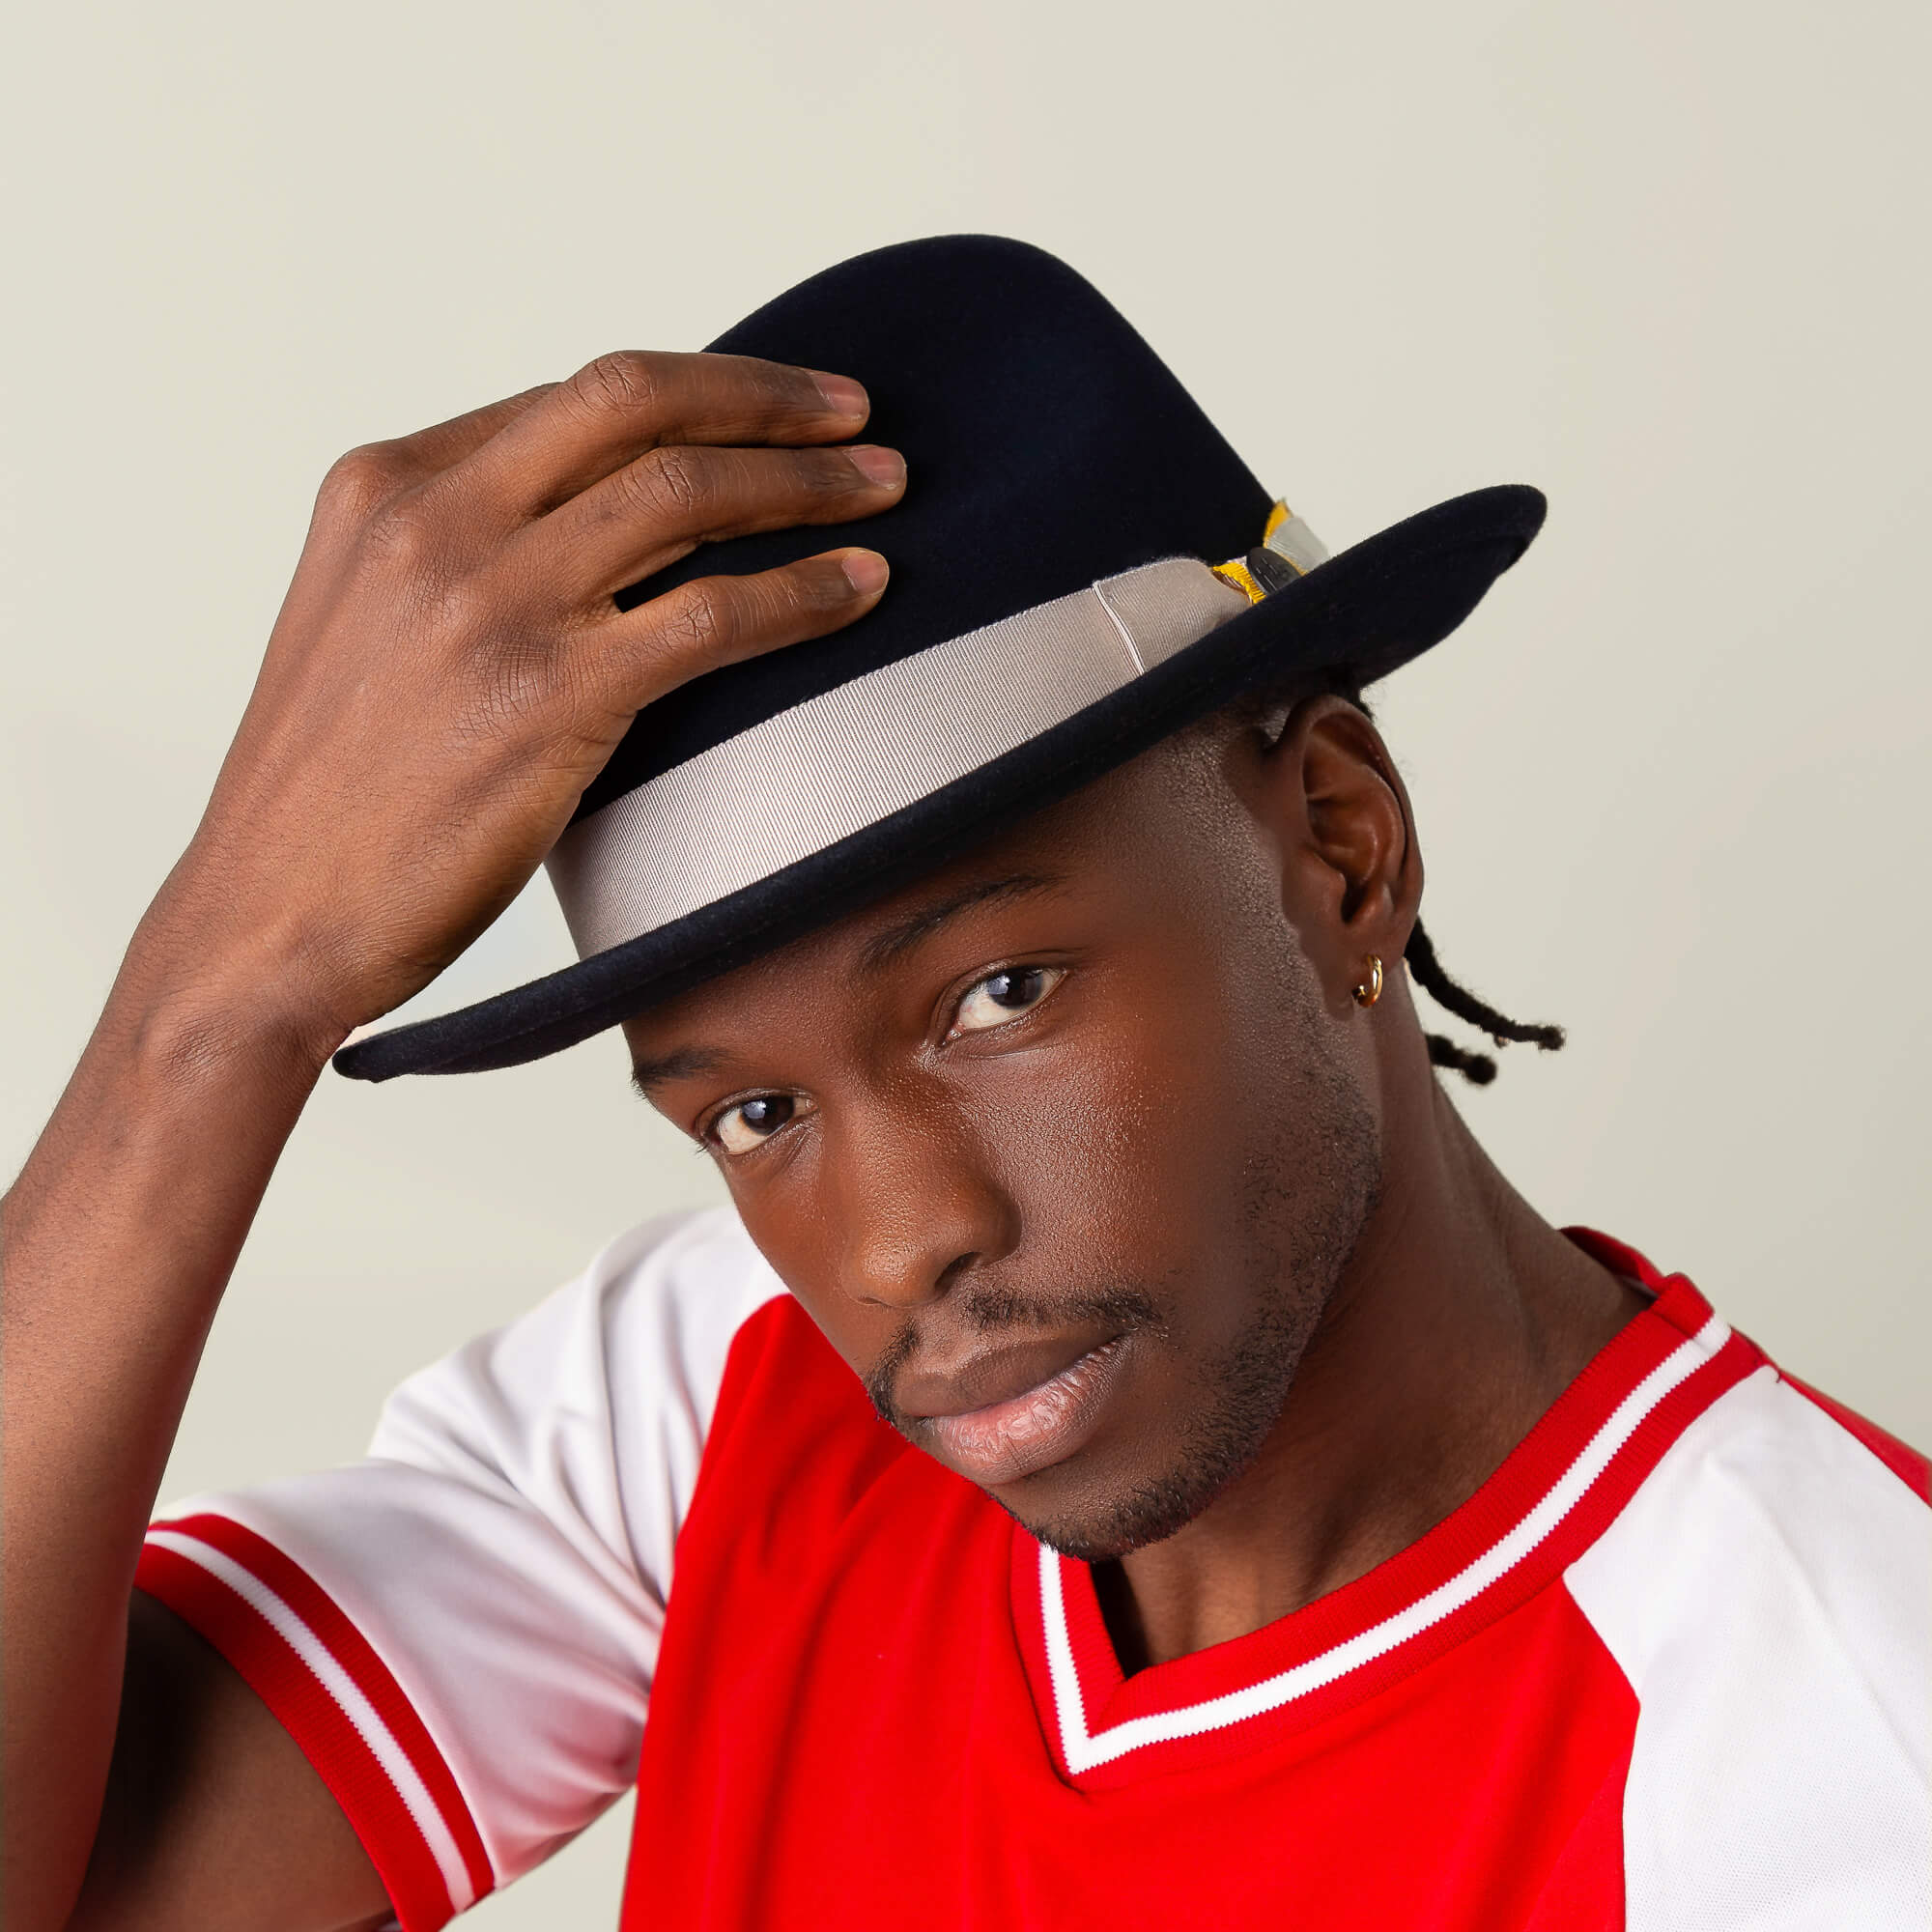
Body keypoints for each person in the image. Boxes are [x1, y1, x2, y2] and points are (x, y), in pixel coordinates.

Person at [4, 236, 1926, 1932]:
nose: (903, 1240)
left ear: (1337, 846)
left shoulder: (1826, 1746)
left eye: (995, 993)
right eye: (750, 1113)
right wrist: (210, 1003)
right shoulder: (719, 1398)